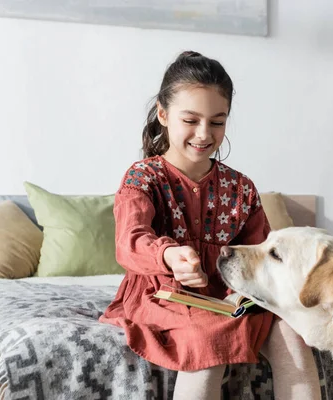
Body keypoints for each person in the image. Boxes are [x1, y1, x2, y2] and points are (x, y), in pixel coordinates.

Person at [99, 51, 321, 400]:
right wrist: (170, 256)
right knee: (210, 339)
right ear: (163, 114)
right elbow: (131, 241)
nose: (204, 134)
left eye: (217, 122)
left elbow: (258, 252)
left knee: (293, 332)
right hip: (162, 293)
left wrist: (254, 287)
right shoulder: (142, 178)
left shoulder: (241, 188)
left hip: (229, 295)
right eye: (191, 120)